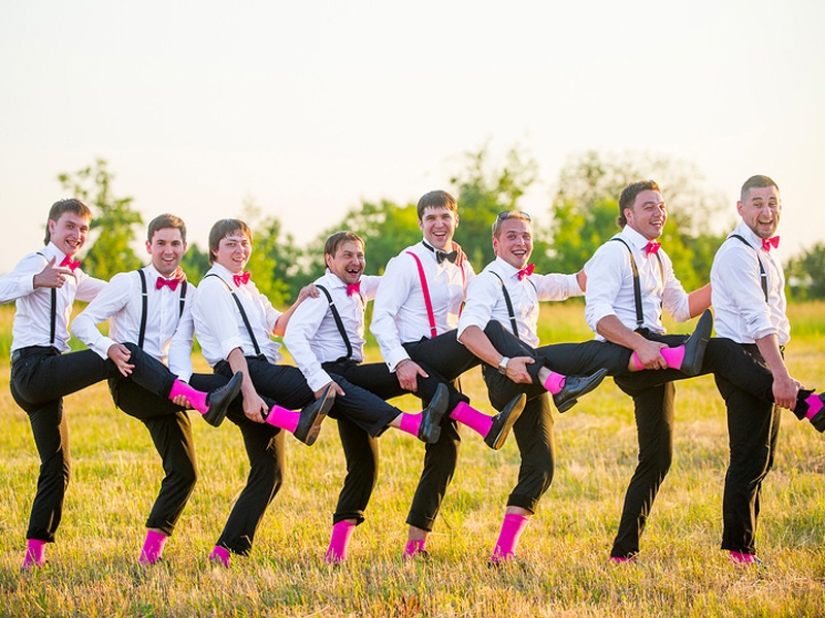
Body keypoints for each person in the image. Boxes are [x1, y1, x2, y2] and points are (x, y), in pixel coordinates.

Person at [456, 210, 717, 563]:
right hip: (506, 378)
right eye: (513, 236)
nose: (521, 243)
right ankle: (574, 380)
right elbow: (468, 331)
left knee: (542, 468)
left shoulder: (530, 281)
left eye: (526, 236)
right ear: (496, 242)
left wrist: (616, 247)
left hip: (534, 379)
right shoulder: (488, 281)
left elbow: (577, 282)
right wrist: (503, 363)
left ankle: (501, 554)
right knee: (586, 350)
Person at [2, 200, 238, 570]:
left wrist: (173, 285)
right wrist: (35, 280)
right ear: (51, 227)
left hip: (51, 380)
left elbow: (120, 289)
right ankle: (198, 399)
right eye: (69, 226)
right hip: (33, 368)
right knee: (118, 352)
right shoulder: (37, 262)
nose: (76, 235)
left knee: (57, 468)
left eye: (82, 229)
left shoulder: (74, 276)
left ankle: (34, 558)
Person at [370, 190, 594, 559]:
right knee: (485, 327)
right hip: (421, 355)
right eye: (431, 218)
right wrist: (399, 362)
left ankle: (417, 546)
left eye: (446, 217)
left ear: (455, 221)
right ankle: (554, 383)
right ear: (421, 224)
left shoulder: (462, 265)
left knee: (445, 451)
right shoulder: (405, 262)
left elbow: (482, 296)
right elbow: (381, 318)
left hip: (450, 361)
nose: (439, 224)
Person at [283, 231, 520, 563]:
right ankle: (482, 424)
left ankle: (335, 554)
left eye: (359, 256)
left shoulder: (358, 285)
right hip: (337, 378)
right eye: (346, 255)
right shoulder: (320, 293)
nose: (355, 262)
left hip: (353, 379)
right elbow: (293, 336)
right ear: (328, 260)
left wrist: (452, 260)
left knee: (364, 467)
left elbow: (394, 279)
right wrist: (319, 380)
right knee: (415, 370)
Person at [70, 214, 243, 565]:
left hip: (165, 387)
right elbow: (81, 321)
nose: (168, 250)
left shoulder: (191, 294)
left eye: (175, 244)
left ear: (184, 247)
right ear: (149, 246)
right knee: (133, 349)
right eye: (161, 243)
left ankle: (150, 555)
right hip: (130, 381)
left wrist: (179, 384)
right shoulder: (127, 283)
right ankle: (203, 402)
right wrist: (107, 347)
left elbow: (180, 347)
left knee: (185, 472)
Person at [189, 218, 336, 566]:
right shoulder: (213, 287)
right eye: (231, 244)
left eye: (244, 243)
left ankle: (226, 551)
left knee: (270, 474)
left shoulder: (248, 287)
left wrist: (299, 301)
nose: (239, 250)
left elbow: (277, 326)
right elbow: (232, 347)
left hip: (256, 368)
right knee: (310, 385)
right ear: (215, 250)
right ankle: (296, 420)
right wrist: (250, 394)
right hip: (242, 370)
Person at [583, 181, 713, 563]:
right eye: (649, 207)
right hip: (630, 352)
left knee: (657, 457)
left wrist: (724, 280)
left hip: (657, 355)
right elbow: (598, 317)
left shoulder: (659, 257)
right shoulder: (613, 253)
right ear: (629, 214)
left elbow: (681, 309)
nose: (659, 213)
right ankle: (802, 401)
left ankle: (623, 551)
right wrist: (639, 345)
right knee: (718, 351)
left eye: (662, 206)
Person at [710, 175, 824, 565]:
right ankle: (739, 551)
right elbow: (757, 320)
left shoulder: (765, 252)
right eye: (757, 203)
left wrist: (780, 368)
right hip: (743, 354)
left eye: (772, 203)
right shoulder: (738, 253)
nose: (766, 211)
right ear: (740, 209)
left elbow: (773, 315)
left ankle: (811, 404)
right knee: (747, 457)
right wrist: (779, 375)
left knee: (762, 457)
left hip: (763, 353)